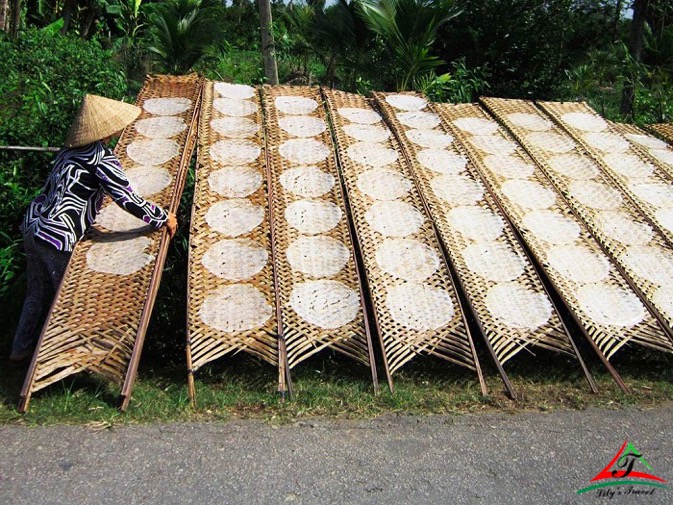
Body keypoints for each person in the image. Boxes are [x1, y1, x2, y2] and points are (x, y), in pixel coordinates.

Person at [9, 94, 178, 362]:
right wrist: (161, 217)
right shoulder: (100, 157)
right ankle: (60, 355)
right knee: (65, 297)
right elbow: (127, 199)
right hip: (56, 232)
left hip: (34, 226)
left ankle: (20, 349)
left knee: (36, 292)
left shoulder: (69, 150)